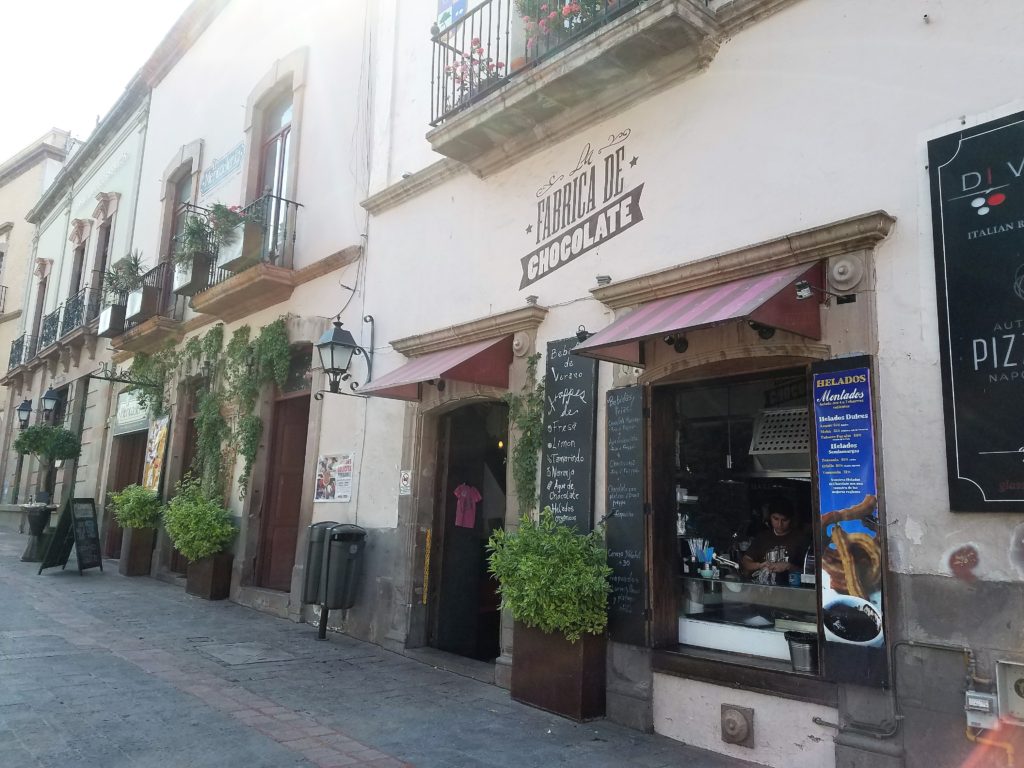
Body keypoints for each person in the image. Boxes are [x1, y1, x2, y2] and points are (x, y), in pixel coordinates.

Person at [741, 498, 809, 586]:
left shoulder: (801, 539)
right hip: (763, 591)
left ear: (791, 519)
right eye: (776, 519)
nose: (779, 524)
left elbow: (811, 572)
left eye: (784, 520)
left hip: (791, 591)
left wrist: (788, 566)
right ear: (770, 517)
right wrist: (760, 565)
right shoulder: (762, 537)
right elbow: (746, 562)